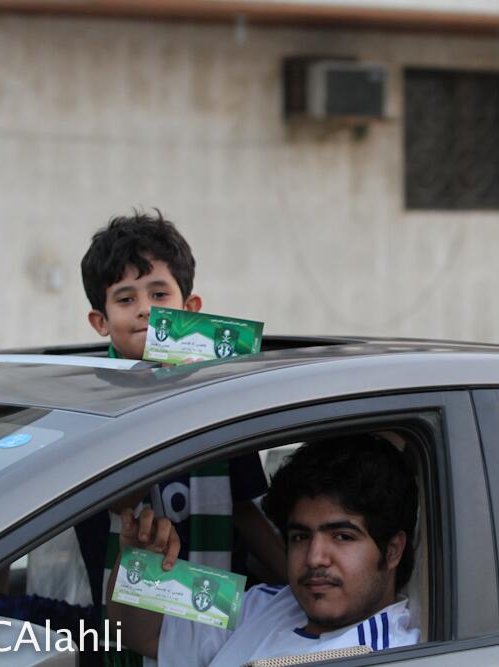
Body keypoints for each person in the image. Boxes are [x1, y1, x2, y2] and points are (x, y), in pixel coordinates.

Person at [79, 210, 286, 588]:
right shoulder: (91, 400)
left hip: (216, 604)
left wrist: (294, 584)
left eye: (159, 294)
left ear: (190, 309)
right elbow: (119, 502)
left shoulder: (216, 395)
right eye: (125, 299)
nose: (145, 309)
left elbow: (243, 507)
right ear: (101, 322)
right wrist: (165, 395)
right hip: (127, 610)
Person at [107, 434, 420, 665]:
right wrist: (139, 564)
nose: (314, 558)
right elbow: (142, 634)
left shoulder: (388, 654)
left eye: (342, 537)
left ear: (393, 550)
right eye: (300, 536)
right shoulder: (265, 601)